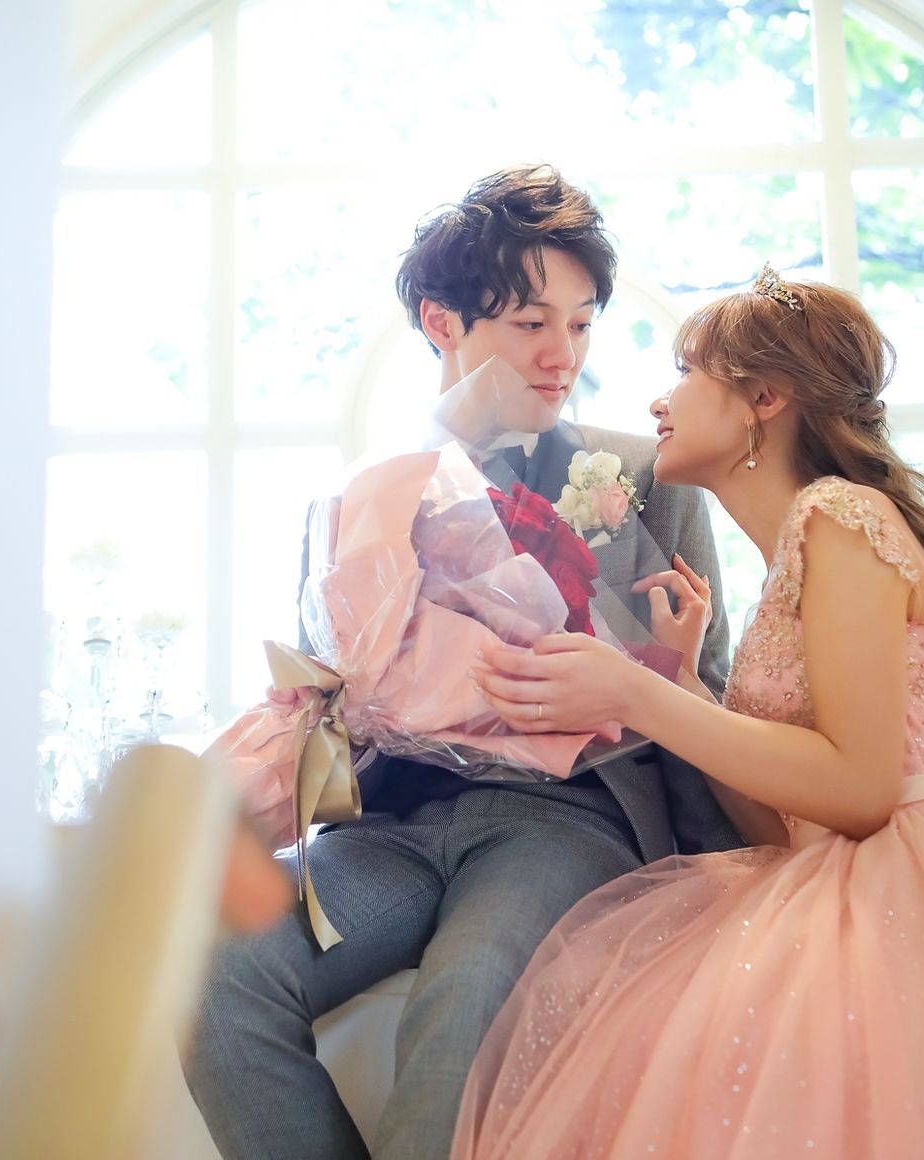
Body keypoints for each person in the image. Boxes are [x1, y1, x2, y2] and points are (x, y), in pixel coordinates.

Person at [182, 164, 742, 1159]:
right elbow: (322, 698)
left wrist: (717, 882)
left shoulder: (645, 478)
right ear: (442, 322)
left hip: (566, 820)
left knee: (466, 998)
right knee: (211, 970)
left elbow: (708, 693)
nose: (562, 355)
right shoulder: (361, 495)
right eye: (531, 323)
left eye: (580, 324)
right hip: (389, 823)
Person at [454, 266, 924, 1159]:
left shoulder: (840, 514)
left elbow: (864, 790)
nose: (660, 401)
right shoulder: (791, 557)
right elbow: (789, 827)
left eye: (686, 373)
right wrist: (688, 683)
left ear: (765, 399)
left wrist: (640, 694)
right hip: (826, 872)